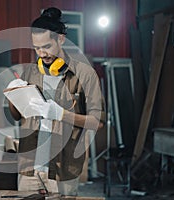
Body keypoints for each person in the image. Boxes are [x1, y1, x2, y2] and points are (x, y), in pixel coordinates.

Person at [6, 7, 105, 197]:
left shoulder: (85, 74)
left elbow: (97, 122)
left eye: (46, 46)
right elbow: (16, 115)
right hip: (29, 168)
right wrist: (13, 93)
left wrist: (62, 115)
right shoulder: (31, 72)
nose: (41, 53)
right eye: (36, 47)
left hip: (63, 170)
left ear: (60, 39)